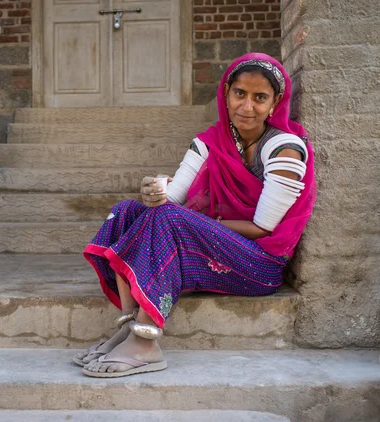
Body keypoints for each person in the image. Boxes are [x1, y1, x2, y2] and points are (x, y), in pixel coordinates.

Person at [74, 53, 317, 378]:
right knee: (126, 211)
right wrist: (156, 190)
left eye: (260, 98)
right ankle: (130, 327)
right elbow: (170, 201)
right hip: (218, 245)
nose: (247, 106)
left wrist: (200, 223)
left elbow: (262, 227)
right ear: (227, 93)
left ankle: (146, 343)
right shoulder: (209, 142)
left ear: (274, 104)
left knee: (171, 219)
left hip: (259, 264)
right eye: (240, 94)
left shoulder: (284, 147)